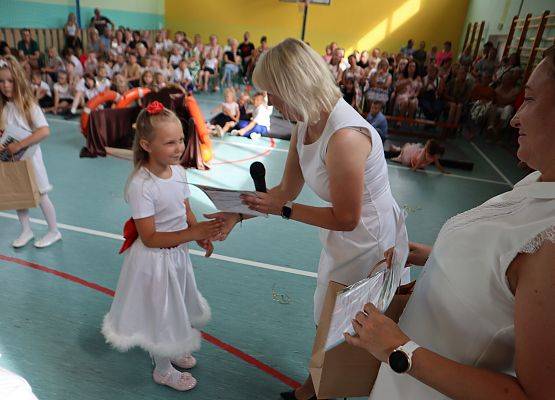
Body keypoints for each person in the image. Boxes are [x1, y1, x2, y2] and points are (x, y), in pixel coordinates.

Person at [346, 44, 555, 400]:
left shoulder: (549, 245)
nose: (516, 117)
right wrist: (429, 254)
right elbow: (501, 266)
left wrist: (400, 350)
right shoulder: (539, 181)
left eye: (531, 100)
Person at [206, 38, 408, 400]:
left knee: (342, 325)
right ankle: (314, 388)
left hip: (368, 241)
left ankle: (316, 392)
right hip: (344, 236)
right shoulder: (306, 122)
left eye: (273, 93)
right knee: (328, 317)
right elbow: (285, 191)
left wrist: (282, 211)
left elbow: (346, 217)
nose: (271, 102)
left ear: (293, 86)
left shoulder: (345, 136)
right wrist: (236, 216)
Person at [101, 102, 223, 391]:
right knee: (161, 312)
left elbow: (184, 207)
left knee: (176, 302)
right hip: (154, 259)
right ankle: (163, 369)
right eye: (170, 142)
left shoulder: (178, 171)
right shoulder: (142, 186)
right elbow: (150, 238)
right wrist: (192, 232)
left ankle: (174, 345)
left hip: (176, 254)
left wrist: (197, 233)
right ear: (146, 144)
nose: (179, 147)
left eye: (180, 139)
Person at [0, 56, 61, 248]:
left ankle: (54, 231)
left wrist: (19, 145)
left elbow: (44, 131)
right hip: (12, 161)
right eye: (1, 81)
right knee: (20, 194)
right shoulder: (4, 107)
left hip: (31, 160)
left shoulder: (29, 106)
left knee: (41, 194)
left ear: (18, 80)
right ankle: (26, 230)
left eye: (10, 80)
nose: (5, 85)